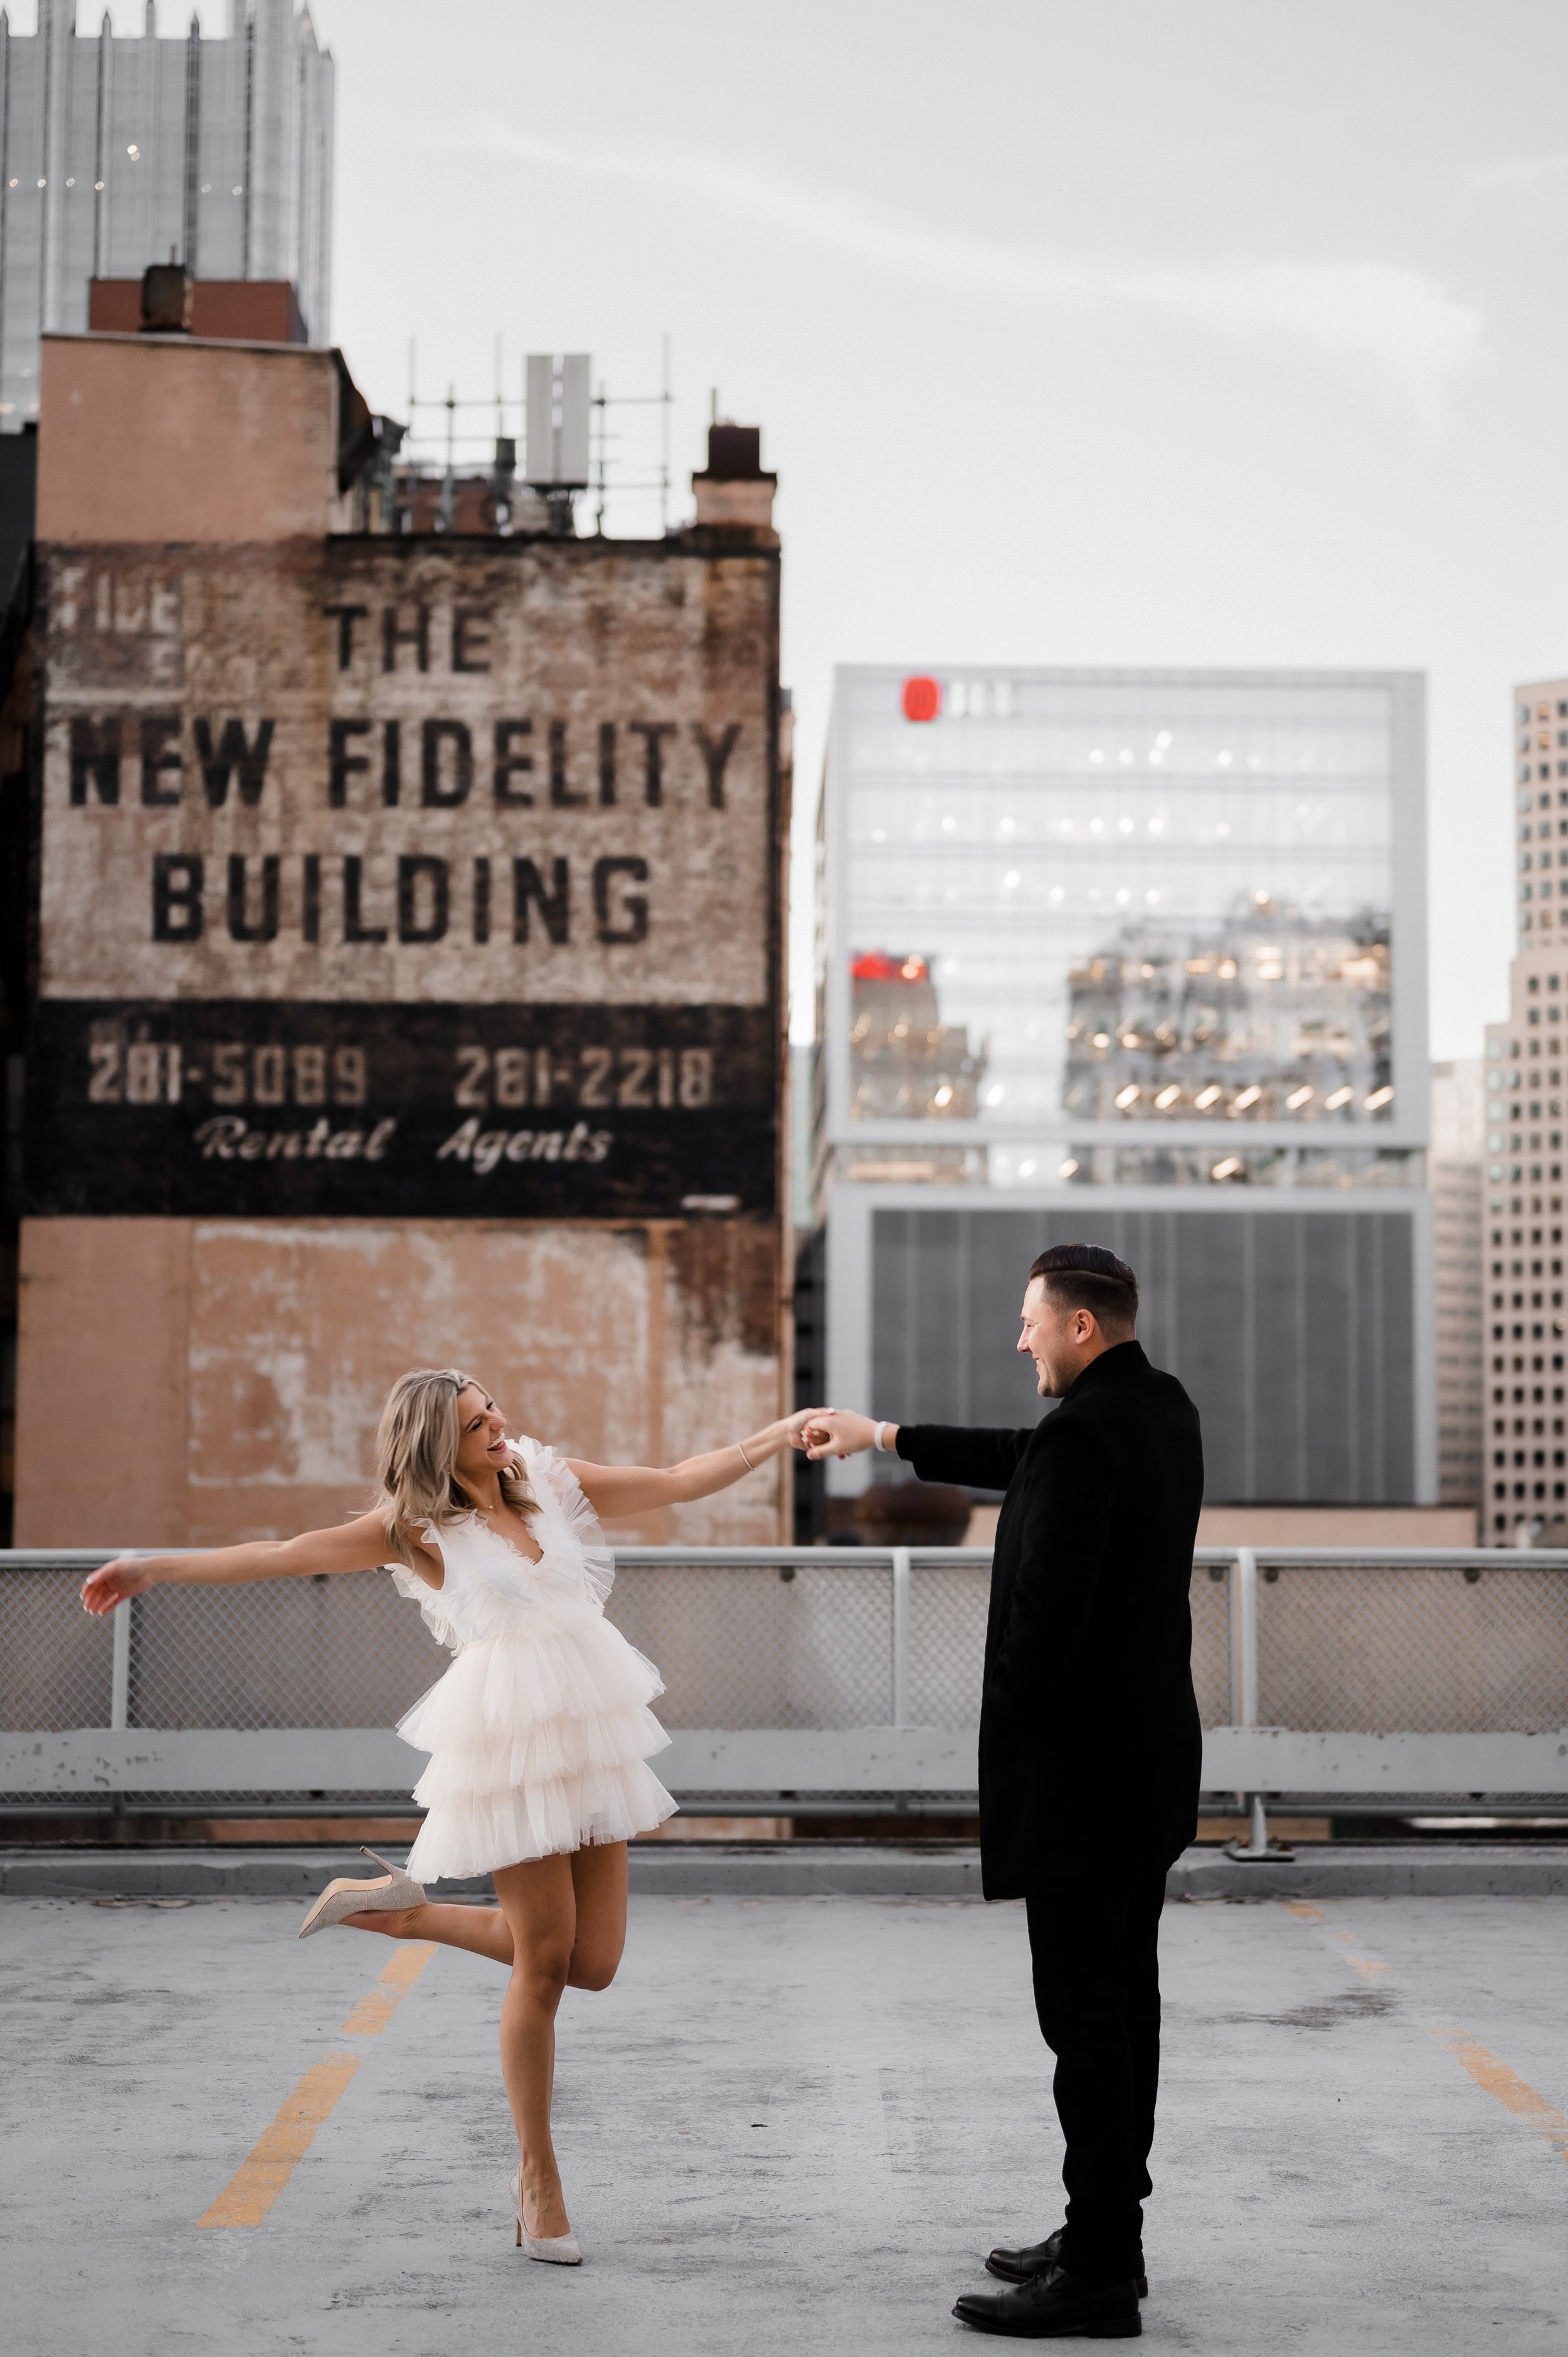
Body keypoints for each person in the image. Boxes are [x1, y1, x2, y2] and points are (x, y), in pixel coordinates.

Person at [82, 1368, 813, 2266]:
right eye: (476, 1423)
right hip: (508, 1747)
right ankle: (537, 2179)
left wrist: (776, 1435)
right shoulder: (416, 1532)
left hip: (593, 1733)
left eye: (493, 1406)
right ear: (439, 1444)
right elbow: (285, 1551)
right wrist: (152, 1565)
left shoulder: (548, 1479)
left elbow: (674, 1481)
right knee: (543, 1966)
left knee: (595, 1962)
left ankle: (409, 1912)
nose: (498, 1424)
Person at [804, 1243, 1202, 2341]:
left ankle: (1102, 2275)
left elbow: (1044, 1624)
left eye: (1031, 1320)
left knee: (1085, 2021)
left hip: (1083, 1784)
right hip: (1152, 1766)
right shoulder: (1158, 1409)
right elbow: (1023, 1453)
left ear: (1080, 1326)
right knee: (1127, 2003)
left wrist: (1006, 1743)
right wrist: (879, 1433)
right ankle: (1104, 2226)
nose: (1018, 1336)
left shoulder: (1085, 1433)